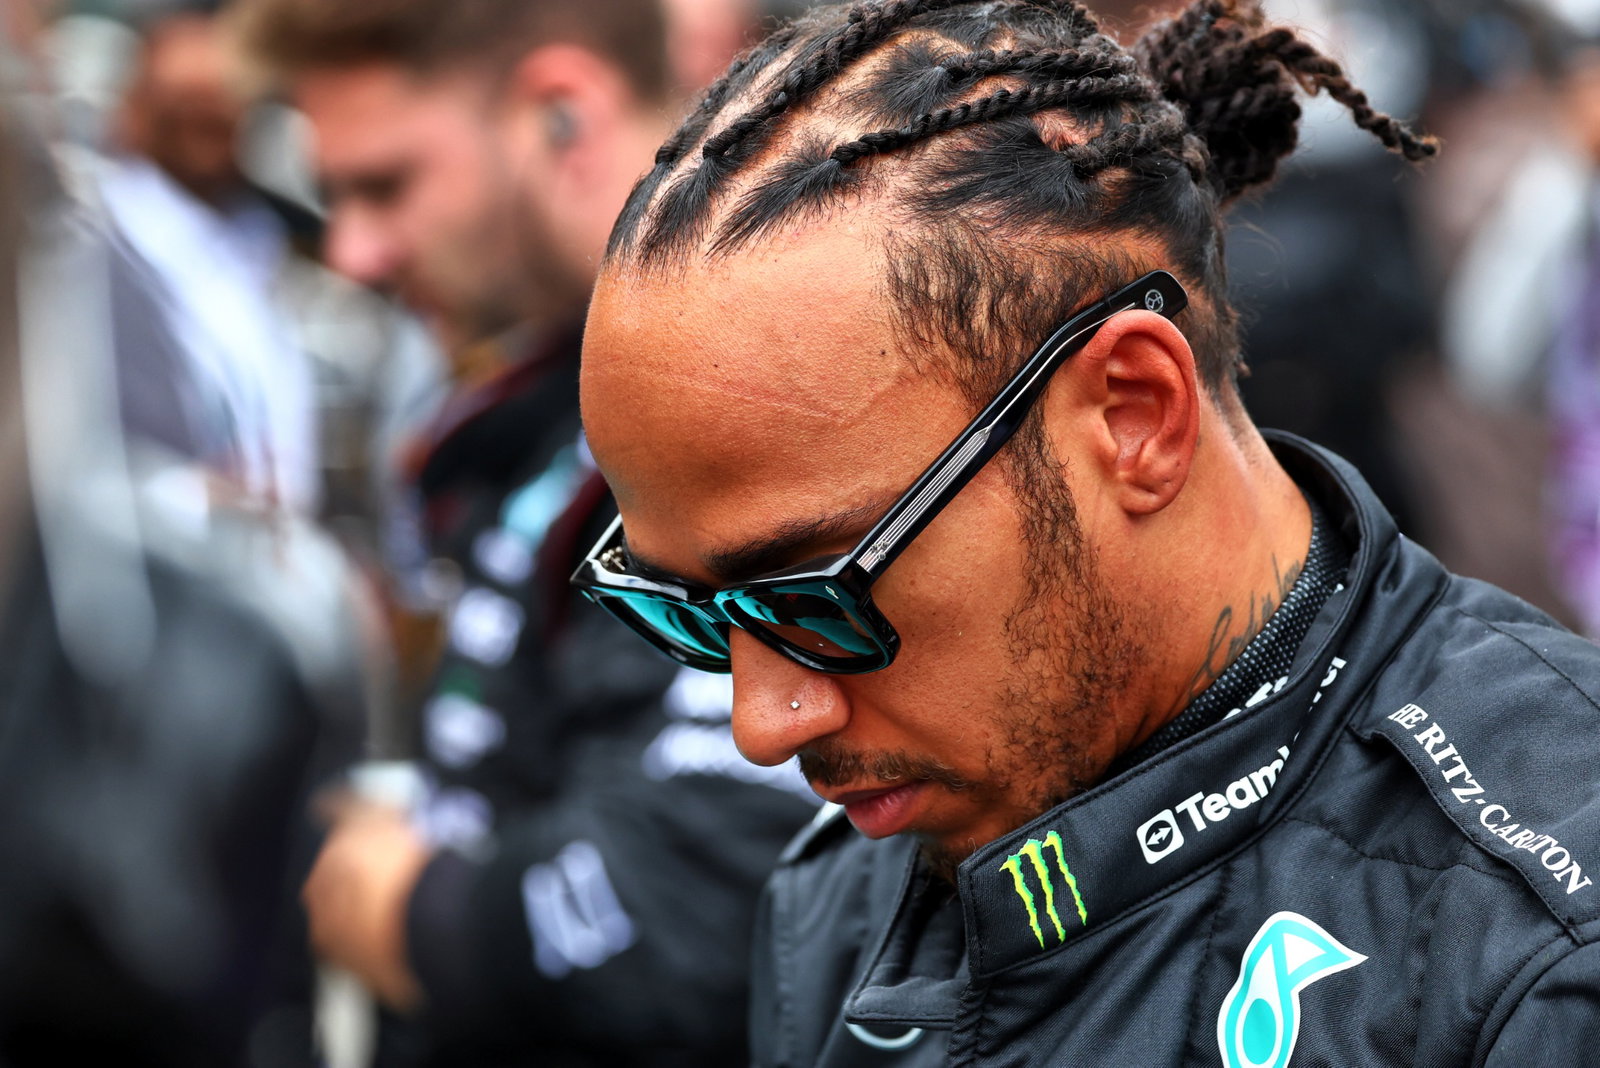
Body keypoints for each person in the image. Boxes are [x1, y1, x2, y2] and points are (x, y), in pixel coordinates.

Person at [574, 0, 1600, 1063]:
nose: (761, 723)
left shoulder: (1545, 952)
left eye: (815, 597)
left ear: (1133, 417)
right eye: (684, 614)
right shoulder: (842, 889)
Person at [234, 1, 817, 1064]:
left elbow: (708, 905)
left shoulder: (750, 382)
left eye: (385, 185)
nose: (354, 251)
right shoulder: (570, 387)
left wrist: (413, 907)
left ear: (561, 112)